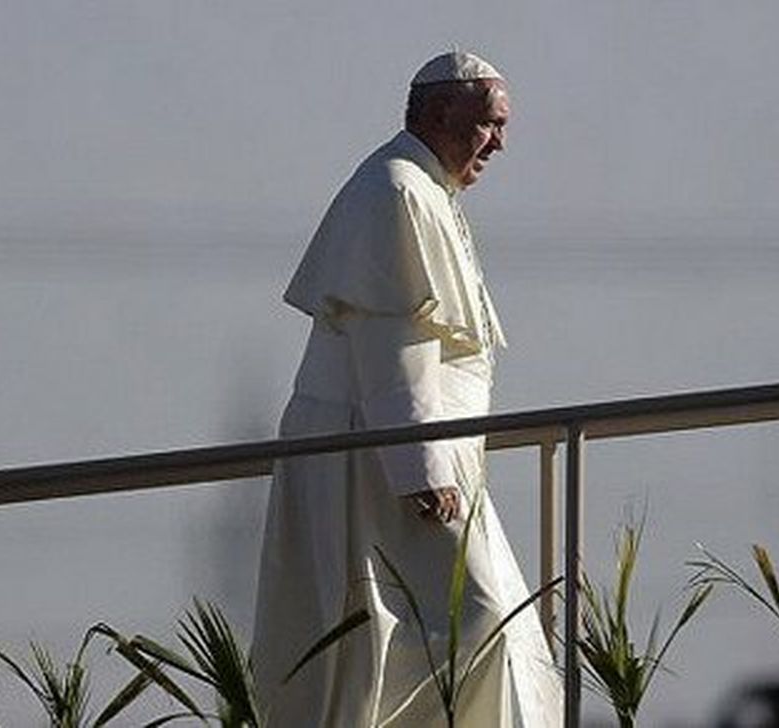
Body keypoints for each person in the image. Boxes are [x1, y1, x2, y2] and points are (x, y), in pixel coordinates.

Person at [250, 51, 561, 727]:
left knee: (450, 627)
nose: (501, 143)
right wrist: (420, 465)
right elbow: (390, 338)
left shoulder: (425, 190)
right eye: (490, 123)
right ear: (440, 112)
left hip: (409, 457)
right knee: (473, 621)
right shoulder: (396, 190)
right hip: (386, 462)